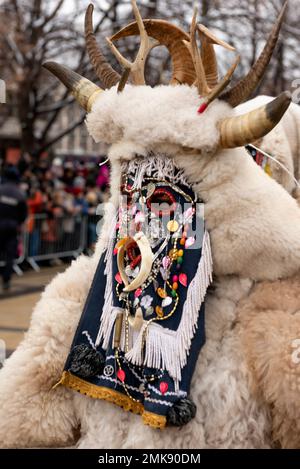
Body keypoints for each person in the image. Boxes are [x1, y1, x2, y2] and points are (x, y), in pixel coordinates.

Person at [0, 166, 28, 291]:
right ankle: (6, 280)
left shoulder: (1, 190)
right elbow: (23, 215)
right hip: (12, 229)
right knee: (9, 256)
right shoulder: (19, 195)